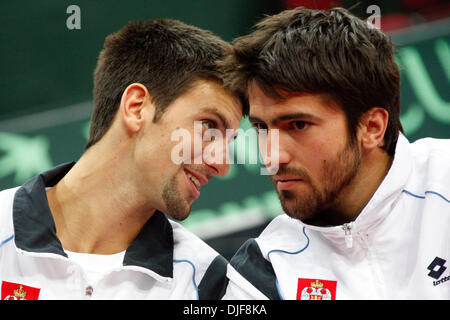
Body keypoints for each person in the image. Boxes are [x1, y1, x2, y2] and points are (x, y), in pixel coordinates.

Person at [0, 18, 245, 300]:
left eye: (229, 141)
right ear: (136, 107)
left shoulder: (209, 284)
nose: (222, 164)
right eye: (209, 126)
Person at [221, 7, 450, 299]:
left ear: (372, 127)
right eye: (262, 128)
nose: (272, 157)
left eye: (298, 125)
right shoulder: (262, 271)